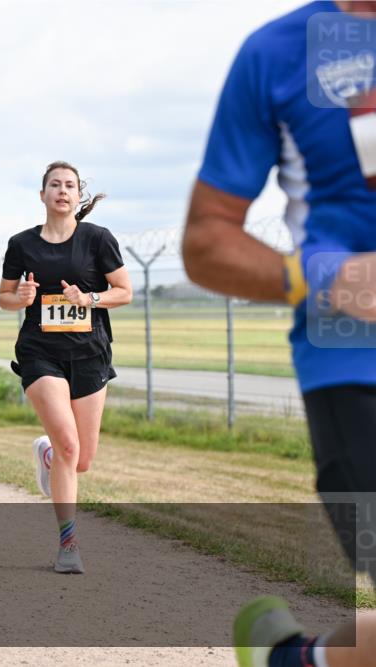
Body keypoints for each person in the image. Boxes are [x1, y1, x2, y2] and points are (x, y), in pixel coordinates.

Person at [182, 2, 376, 666]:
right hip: (353, 362)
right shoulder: (277, 53)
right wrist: (320, 277)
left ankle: (292, 659)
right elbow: (206, 242)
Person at [0, 161, 132, 574]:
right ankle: (68, 544)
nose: (62, 190)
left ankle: (47, 455)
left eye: (69, 185)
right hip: (41, 352)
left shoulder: (97, 239)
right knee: (71, 447)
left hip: (90, 353)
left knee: (81, 459)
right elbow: (4, 297)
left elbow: (124, 292)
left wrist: (89, 300)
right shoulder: (21, 244)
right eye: (54, 184)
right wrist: (20, 296)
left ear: (78, 195)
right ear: (42, 195)